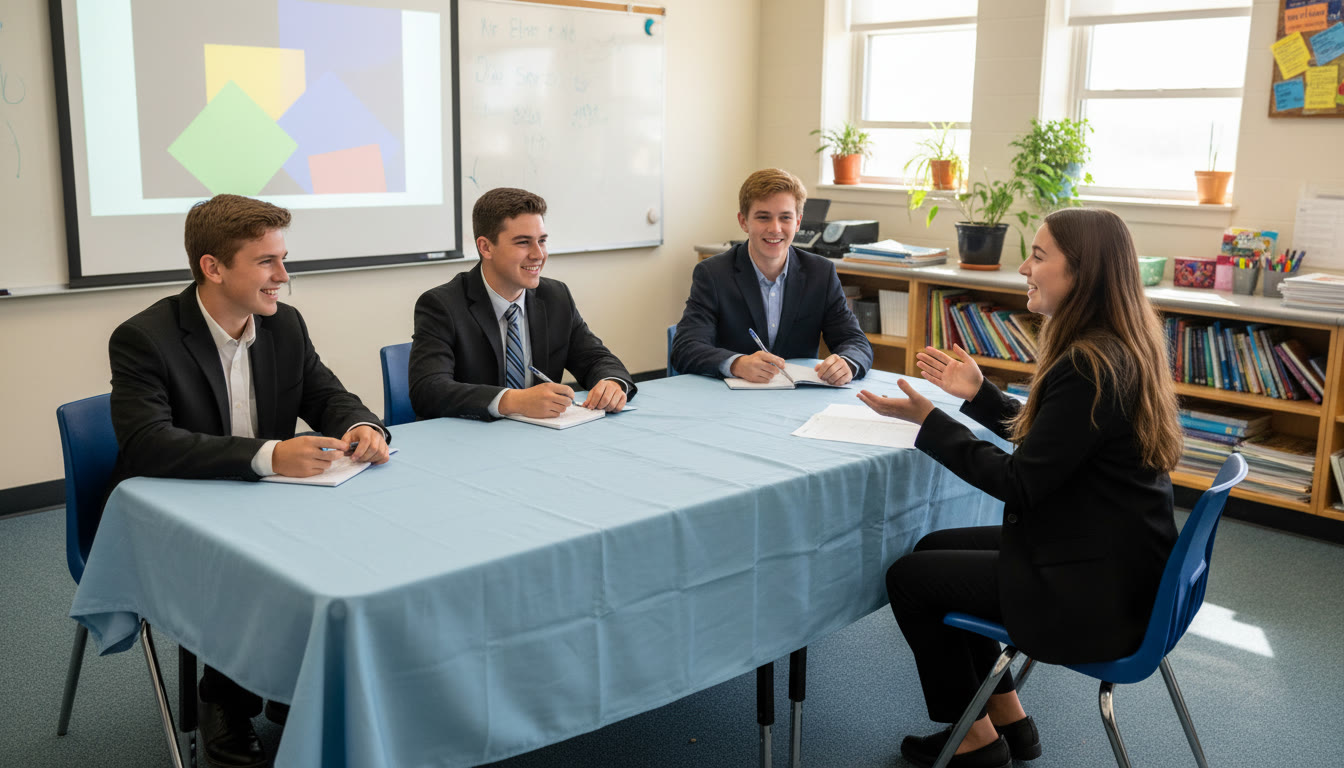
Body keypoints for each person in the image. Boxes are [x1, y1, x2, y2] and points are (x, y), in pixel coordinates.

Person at [857, 208, 1182, 768]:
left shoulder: (1088, 365)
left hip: (1095, 592)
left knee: (909, 580)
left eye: (1038, 256)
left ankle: (975, 740)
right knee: (934, 548)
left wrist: (929, 423)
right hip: (1113, 558)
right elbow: (1055, 443)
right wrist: (979, 393)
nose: (1025, 269)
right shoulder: (1114, 346)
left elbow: (1019, 483)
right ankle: (1008, 718)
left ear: (1081, 272)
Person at [108, 194, 391, 768]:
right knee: (246, 563)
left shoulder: (284, 325)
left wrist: (361, 425)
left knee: (351, 547)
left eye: (283, 259)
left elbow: (326, 393)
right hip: (178, 506)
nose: (283, 276)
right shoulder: (144, 337)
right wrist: (269, 456)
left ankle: (291, 682)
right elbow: (146, 443)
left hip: (268, 500)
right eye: (267, 262)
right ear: (213, 267)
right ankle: (224, 698)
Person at [410, 187, 636, 420]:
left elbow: (596, 358)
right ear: (486, 247)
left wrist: (611, 382)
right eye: (523, 243)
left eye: (542, 241)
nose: (538, 254)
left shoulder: (556, 296)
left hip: (541, 434)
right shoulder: (442, 305)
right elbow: (428, 390)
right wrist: (512, 401)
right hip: (468, 435)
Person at [671, 168, 873, 384]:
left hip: (799, 396)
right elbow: (686, 348)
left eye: (785, 217)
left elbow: (855, 341)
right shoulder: (713, 274)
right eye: (763, 217)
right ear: (743, 221)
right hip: (731, 396)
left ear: (798, 222)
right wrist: (736, 364)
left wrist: (847, 363)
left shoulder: (820, 273)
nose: (775, 228)